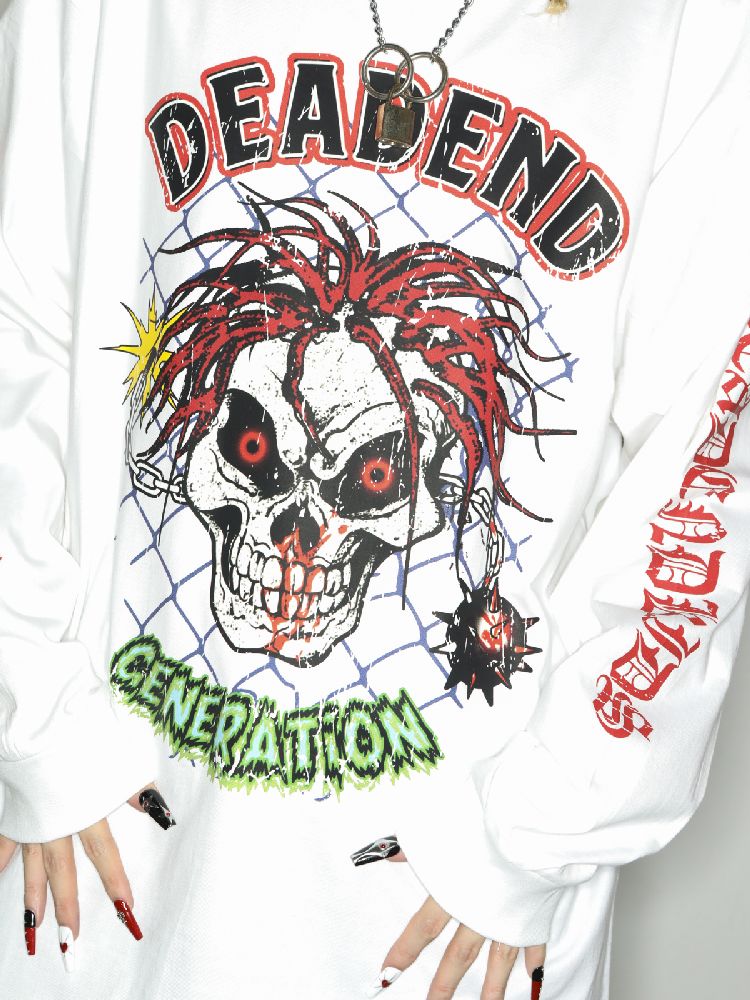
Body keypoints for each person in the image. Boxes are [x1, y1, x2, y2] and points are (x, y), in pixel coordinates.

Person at [0, 0, 748, 997]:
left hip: (447, 918)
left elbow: (704, 456)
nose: (299, 539)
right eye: (254, 448)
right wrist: (35, 715)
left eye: (376, 478)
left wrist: (540, 825)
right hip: (106, 869)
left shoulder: (687, 23)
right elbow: (21, 310)